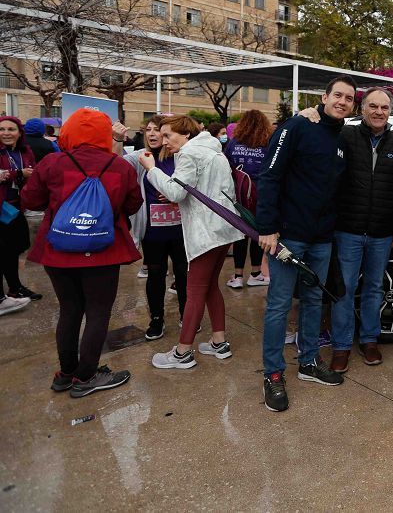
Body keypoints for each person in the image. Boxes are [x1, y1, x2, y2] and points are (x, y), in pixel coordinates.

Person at [21, 109, 142, 397]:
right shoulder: (120, 166)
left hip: (58, 250)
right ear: (105, 134)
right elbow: (132, 205)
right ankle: (86, 377)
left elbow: (31, 200)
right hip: (102, 250)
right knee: (98, 311)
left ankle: (66, 373)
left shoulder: (52, 162)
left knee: (69, 308)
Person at [256, 77, 354, 411]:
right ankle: (272, 374)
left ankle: (309, 362)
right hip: (289, 235)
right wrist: (267, 227)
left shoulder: (341, 138)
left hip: (322, 239)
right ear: (324, 96)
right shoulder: (295, 127)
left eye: (349, 98)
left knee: (314, 302)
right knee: (279, 306)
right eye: (337, 95)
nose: (342, 101)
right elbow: (269, 176)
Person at [143, 115, 244, 370]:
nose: (164, 142)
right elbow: (205, 189)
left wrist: (151, 168)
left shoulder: (189, 153)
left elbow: (176, 190)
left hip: (206, 232)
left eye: (168, 135)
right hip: (223, 228)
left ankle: (182, 352)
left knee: (195, 290)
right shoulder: (212, 149)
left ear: (185, 134)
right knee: (210, 287)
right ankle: (219, 342)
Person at [331, 87, 393, 369]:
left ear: (391, 111)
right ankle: (341, 347)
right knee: (345, 289)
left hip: (381, 232)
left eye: (384, 107)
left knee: (374, 289)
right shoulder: (345, 136)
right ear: (362, 109)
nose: (379, 112)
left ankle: (369, 341)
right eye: (373, 106)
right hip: (348, 229)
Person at [124, 116, 188, 340]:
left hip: (181, 229)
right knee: (156, 274)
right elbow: (114, 162)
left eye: (157, 130)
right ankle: (157, 319)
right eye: (147, 130)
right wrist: (114, 138)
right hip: (153, 230)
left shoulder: (181, 157)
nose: (151, 134)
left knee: (183, 273)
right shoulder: (141, 157)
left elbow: (194, 187)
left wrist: (178, 196)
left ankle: (186, 316)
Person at [224, 109, 273, 289]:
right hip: (261, 195)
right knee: (258, 234)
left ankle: (237, 276)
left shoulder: (233, 143)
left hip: (238, 195)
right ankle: (255, 273)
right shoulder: (267, 143)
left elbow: (226, 166)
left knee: (240, 235)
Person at [1, 116, 39, 313]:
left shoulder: (25, 151)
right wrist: (17, 174)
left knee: (16, 248)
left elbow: (32, 172)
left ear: (19, 132)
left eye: (11, 129)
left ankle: (15, 288)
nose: (6, 133)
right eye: (2, 129)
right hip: (1, 207)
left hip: (16, 207)